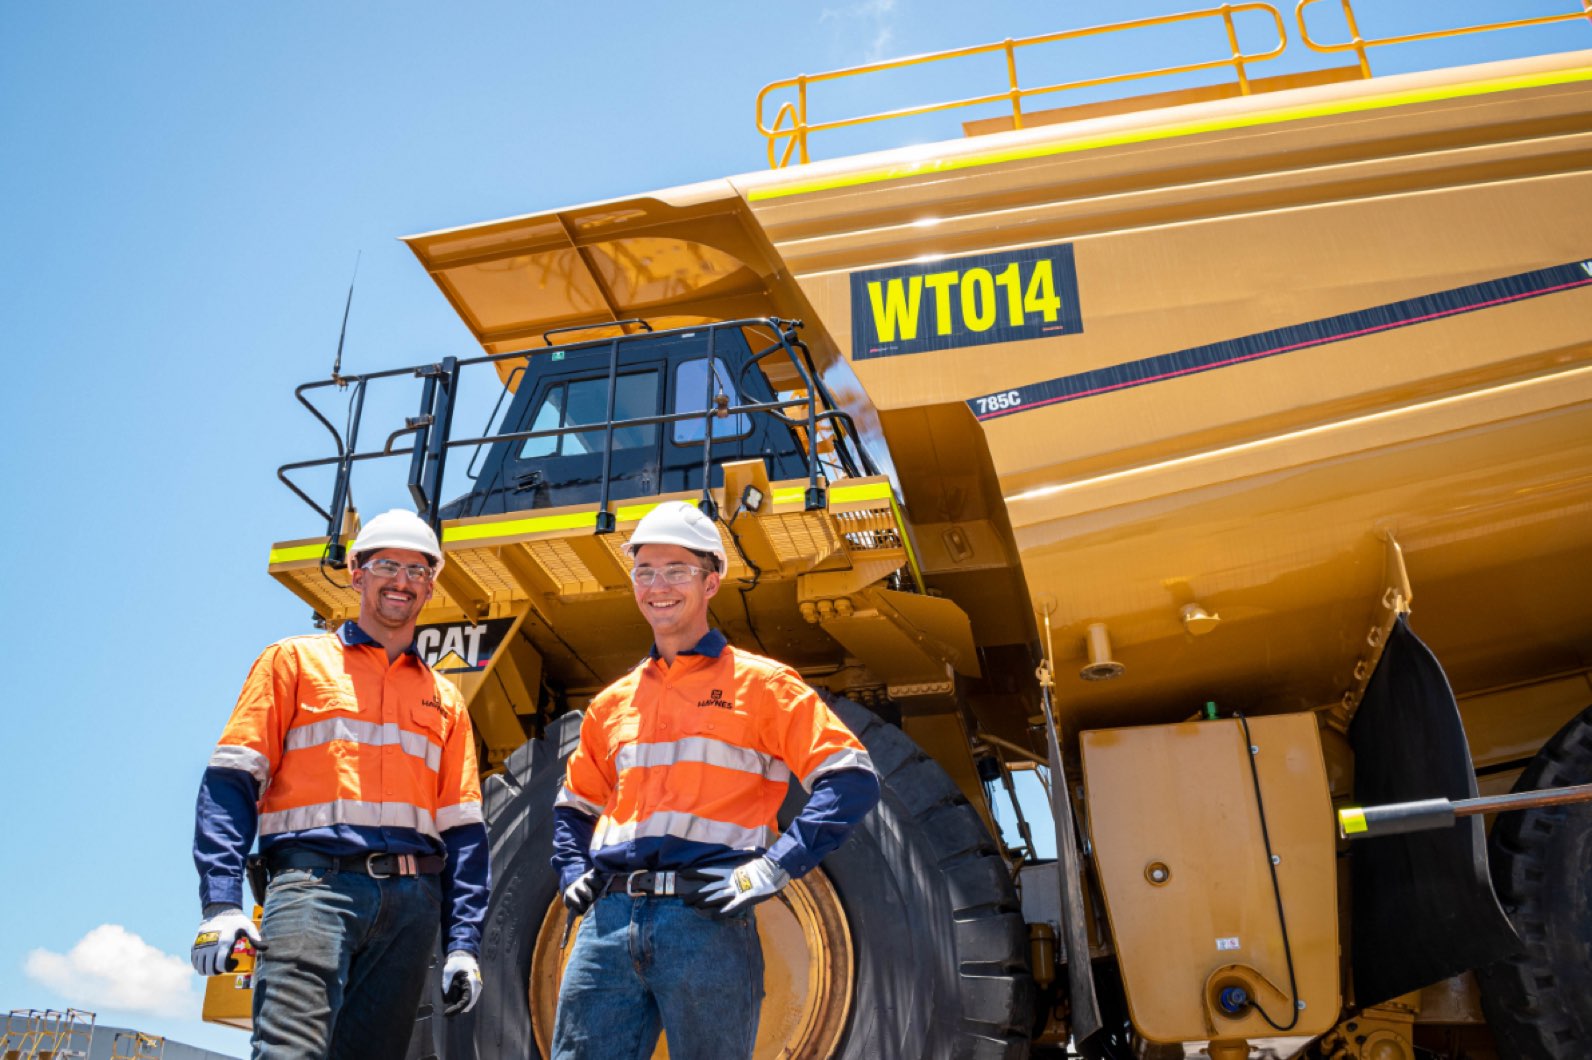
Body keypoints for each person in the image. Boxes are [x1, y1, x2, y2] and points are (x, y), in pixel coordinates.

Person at [549, 500, 881, 1059]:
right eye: (645, 571)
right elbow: (575, 805)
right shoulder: (611, 703)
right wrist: (571, 869)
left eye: (677, 570)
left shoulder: (763, 685)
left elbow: (851, 778)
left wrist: (773, 870)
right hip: (605, 926)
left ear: (712, 581)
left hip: (705, 922)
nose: (659, 585)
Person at [190, 509, 490, 1059]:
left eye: (418, 570)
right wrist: (221, 905)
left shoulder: (446, 700)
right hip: (313, 891)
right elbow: (231, 782)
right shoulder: (293, 662)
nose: (402, 581)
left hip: (411, 905)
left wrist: (463, 944)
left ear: (430, 585)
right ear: (356, 573)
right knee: (290, 1054)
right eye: (386, 565)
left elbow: (464, 832)